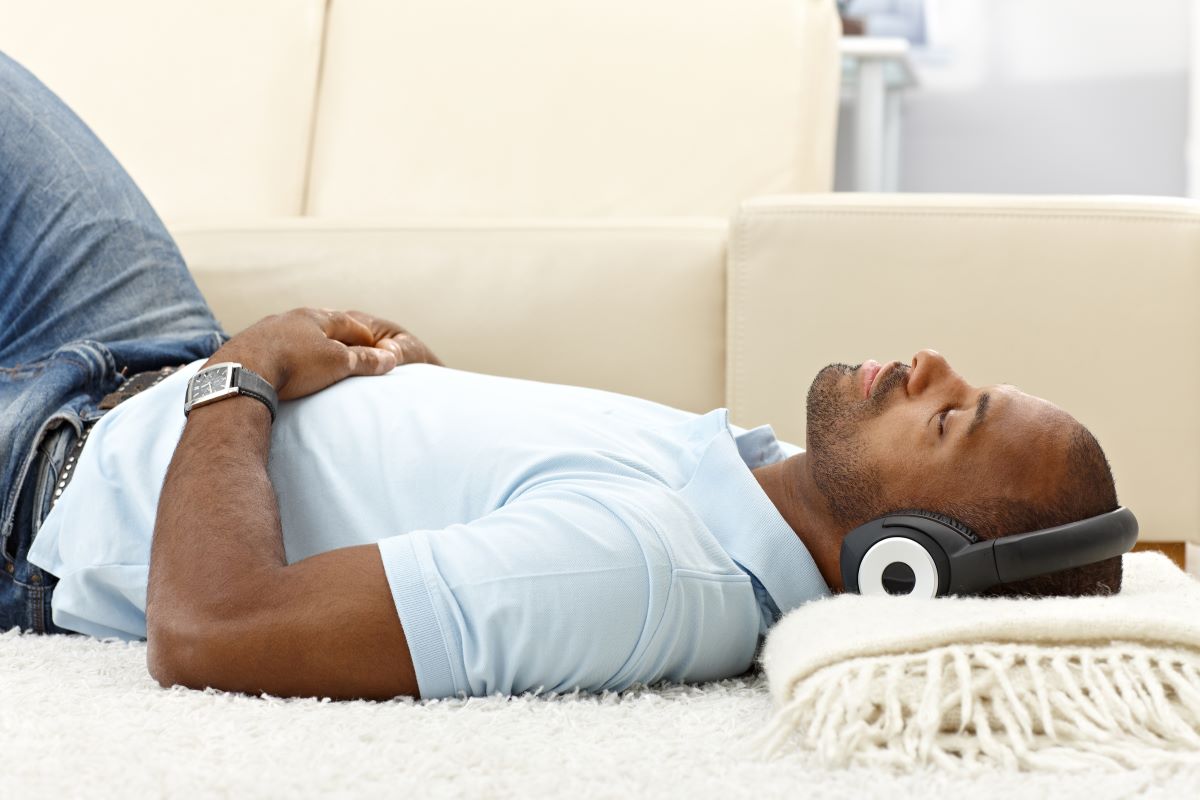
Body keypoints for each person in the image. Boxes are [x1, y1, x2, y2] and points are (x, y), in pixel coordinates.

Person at [0, 53, 1121, 702]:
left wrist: (239, 378)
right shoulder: (748, 489)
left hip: (44, 484)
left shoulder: (643, 574)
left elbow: (215, 631)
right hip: (143, 350)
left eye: (952, 416)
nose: (929, 363)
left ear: (906, 564)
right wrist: (410, 391)